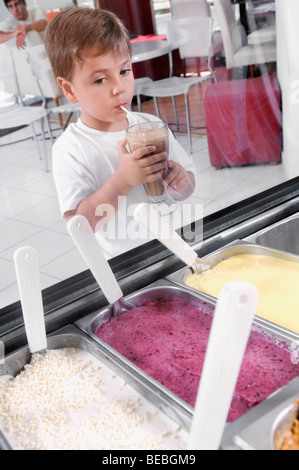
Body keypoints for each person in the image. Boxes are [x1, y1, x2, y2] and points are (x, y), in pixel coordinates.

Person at [45, 7, 196, 260]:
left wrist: (179, 183)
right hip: (126, 266)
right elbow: (81, 226)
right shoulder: (71, 149)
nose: (119, 88)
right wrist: (123, 180)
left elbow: (187, 186)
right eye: (100, 80)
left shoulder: (151, 125)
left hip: (175, 250)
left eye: (124, 71)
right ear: (69, 90)